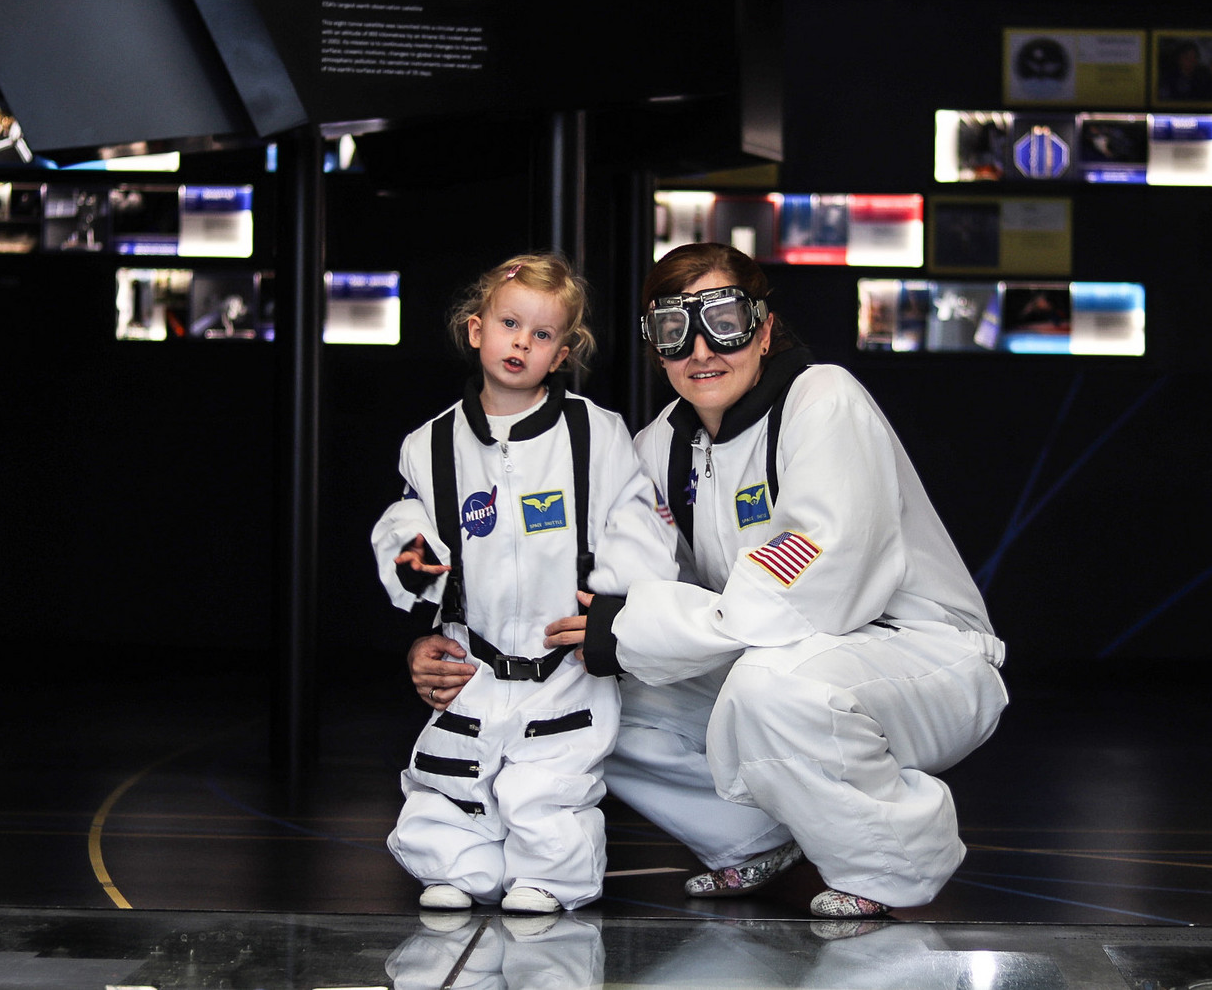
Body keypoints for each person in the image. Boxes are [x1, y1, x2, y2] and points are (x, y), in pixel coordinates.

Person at [541, 242, 1009, 919]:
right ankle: (751, 839)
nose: (701, 349)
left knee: (773, 688)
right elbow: (605, 581)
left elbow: (813, 586)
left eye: (722, 319)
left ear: (762, 327)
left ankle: (899, 861)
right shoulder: (657, 447)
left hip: (923, 655)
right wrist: (477, 646)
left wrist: (637, 627)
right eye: (674, 329)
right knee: (577, 694)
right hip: (771, 652)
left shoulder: (824, 400)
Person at [373, 252, 677, 916]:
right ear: (475, 328)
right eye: (510, 323)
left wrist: (616, 607)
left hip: (562, 659)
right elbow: (404, 519)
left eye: (541, 335)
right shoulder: (430, 445)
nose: (521, 342)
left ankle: (551, 879)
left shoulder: (594, 435)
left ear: (563, 352)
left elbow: (637, 522)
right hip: (471, 657)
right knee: (449, 778)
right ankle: (458, 867)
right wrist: (411, 557)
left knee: (553, 784)